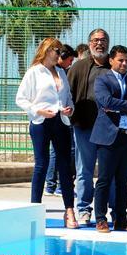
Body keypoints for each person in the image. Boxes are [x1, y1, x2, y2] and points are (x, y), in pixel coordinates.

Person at [15, 38, 78, 228]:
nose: (59, 53)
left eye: (60, 50)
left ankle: (69, 211)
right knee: (41, 165)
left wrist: (70, 110)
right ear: (46, 50)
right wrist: (38, 110)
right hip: (41, 122)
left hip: (61, 121)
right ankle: (34, 210)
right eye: (56, 50)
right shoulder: (34, 72)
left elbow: (68, 99)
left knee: (65, 166)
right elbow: (21, 99)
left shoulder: (61, 72)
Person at [91, 45, 127, 233]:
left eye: (126, 60)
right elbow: (105, 102)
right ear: (111, 60)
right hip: (108, 137)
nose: (124, 63)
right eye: (120, 60)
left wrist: (123, 105)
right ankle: (100, 219)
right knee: (104, 179)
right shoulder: (102, 80)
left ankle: (121, 218)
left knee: (123, 181)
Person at [67, 28, 113, 225]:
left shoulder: (114, 65)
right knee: (84, 170)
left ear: (108, 43)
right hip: (84, 127)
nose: (99, 44)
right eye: (95, 40)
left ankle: (113, 210)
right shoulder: (78, 67)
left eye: (103, 40)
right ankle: (84, 209)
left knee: (108, 171)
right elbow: (67, 93)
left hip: (110, 128)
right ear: (89, 43)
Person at [45, 44, 78, 196]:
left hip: (57, 115)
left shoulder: (57, 71)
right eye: (70, 60)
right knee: (66, 151)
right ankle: (59, 186)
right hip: (59, 116)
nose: (71, 63)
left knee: (54, 151)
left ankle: (51, 185)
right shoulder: (58, 72)